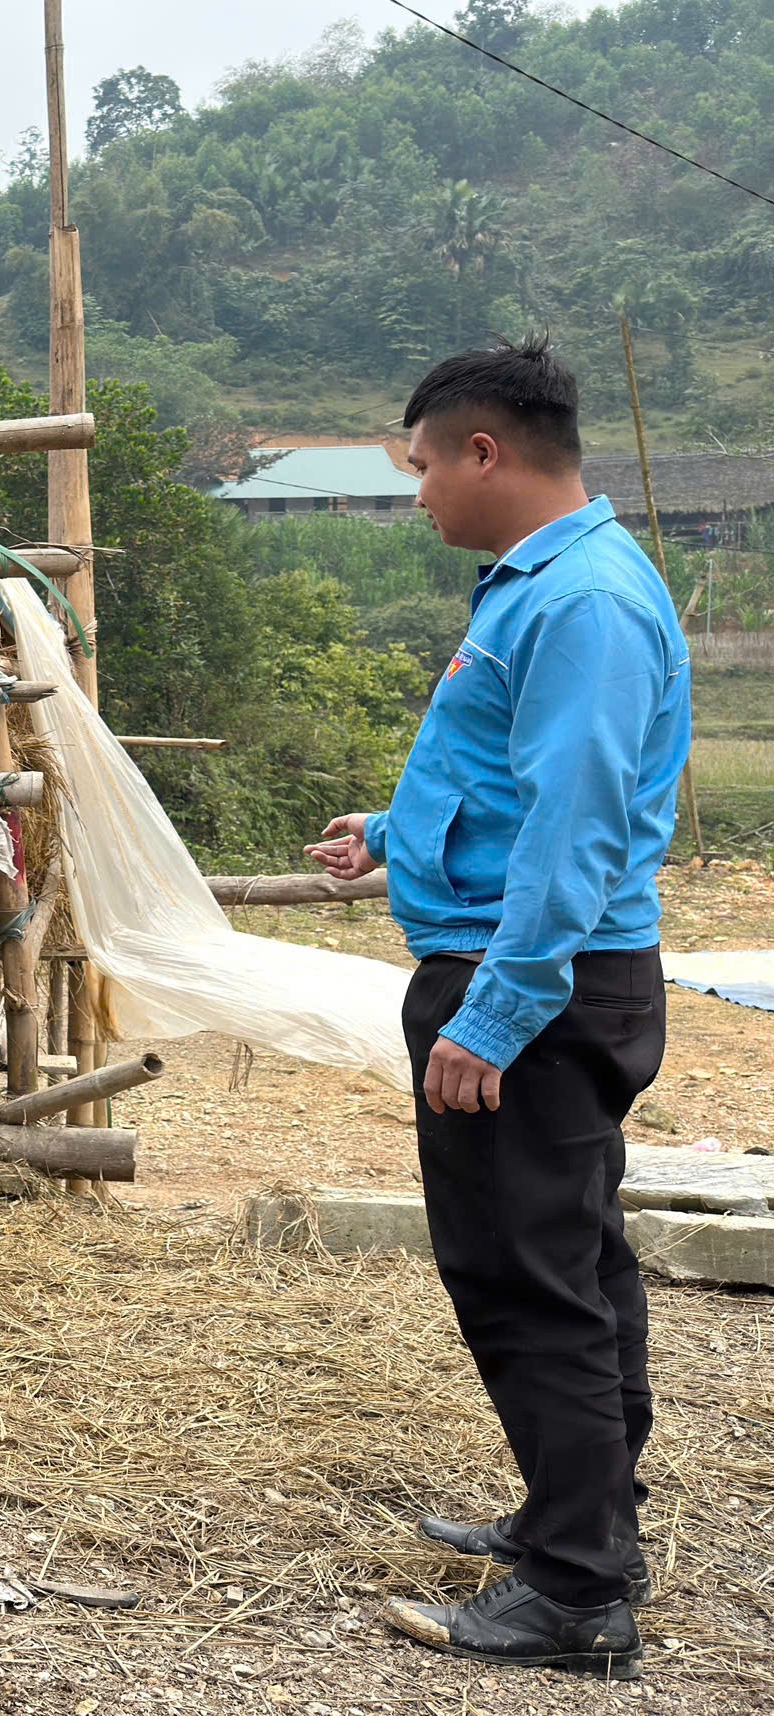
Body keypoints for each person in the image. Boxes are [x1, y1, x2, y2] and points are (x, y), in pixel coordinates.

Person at [307, 336, 689, 1681]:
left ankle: (576, 1593)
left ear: (484, 452)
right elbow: (517, 785)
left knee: (525, 1275)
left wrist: (496, 1012)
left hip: (531, 982)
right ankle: (582, 1521)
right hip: (534, 968)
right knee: (573, 1257)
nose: (415, 493)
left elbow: (578, 827)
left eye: (420, 466)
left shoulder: (580, 603)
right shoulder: (547, 585)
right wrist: (396, 836)